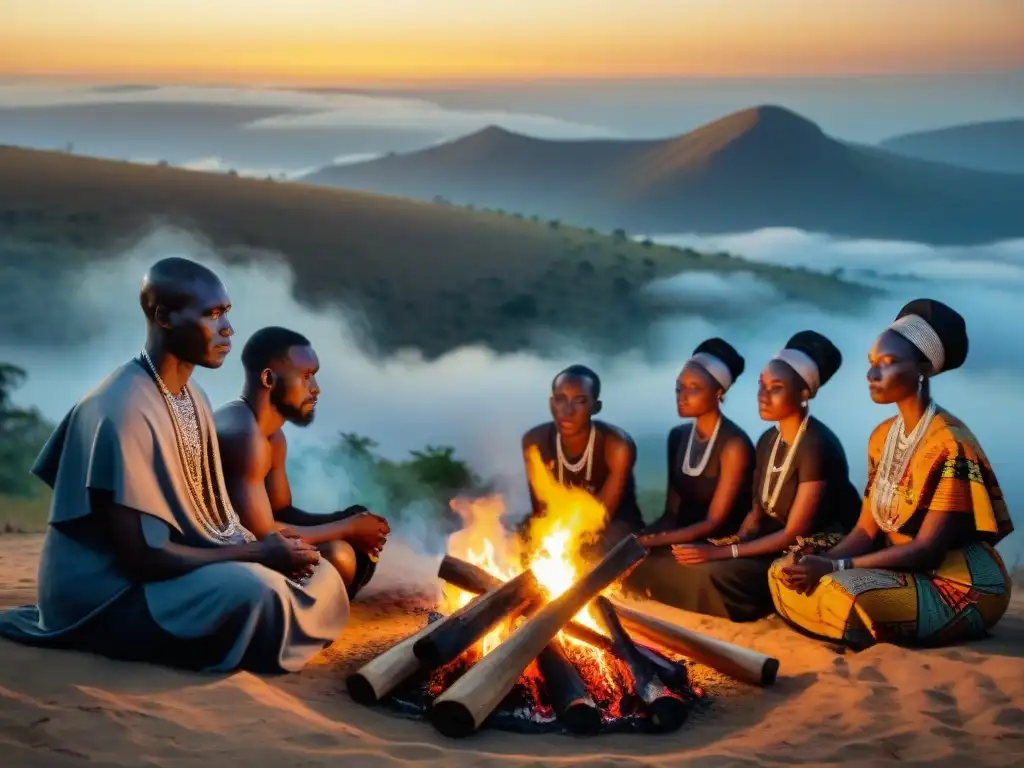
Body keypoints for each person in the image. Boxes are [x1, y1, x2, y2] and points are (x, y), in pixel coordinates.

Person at [0, 257, 351, 673]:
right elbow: (143, 557)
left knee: (318, 569)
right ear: (164, 317)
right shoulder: (122, 407)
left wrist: (265, 552)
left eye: (228, 314)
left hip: (167, 574)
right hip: (111, 595)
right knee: (259, 592)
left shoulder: (193, 397)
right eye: (213, 315)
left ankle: (280, 619)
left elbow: (208, 522)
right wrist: (257, 552)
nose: (228, 330)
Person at [770, 300, 1014, 649]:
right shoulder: (882, 437)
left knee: (844, 593)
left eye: (888, 363)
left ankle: (850, 622)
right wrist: (821, 561)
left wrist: (835, 568)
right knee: (782, 571)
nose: (872, 375)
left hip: (958, 586)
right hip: (904, 574)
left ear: (924, 368)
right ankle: (847, 621)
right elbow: (866, 529)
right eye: (871, 364)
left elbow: (928, 550)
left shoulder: (950, 443)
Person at [657, 331, 861, 621]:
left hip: (811, 551)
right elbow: (757, 512)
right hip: (771, 542)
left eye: (775, 388)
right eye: (760, 386)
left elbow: (795, 532)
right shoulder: (768, 440)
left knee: (714, 574)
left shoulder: (816, 445)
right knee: (677, 564)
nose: (762, 396)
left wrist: (722, 554)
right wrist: (730, 542)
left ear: (804, 393)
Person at [215, 326, 389, 598]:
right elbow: (264, 536)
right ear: (268, 378)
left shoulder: (273, 438)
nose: (316, 389)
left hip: (259, 542)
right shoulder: (243, 437)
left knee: (353, 521)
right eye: (306, 377)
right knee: (338, 555)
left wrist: (353, 520)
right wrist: (348, 529)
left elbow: (281, 512)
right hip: (224, 561)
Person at [624, 338, 756, 600]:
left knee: (701, 576)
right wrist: (641, 538)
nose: (682, 396)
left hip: (719, 544)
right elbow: (671, 512)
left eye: (693, 388)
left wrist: (651, 542)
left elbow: (714, 522)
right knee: (627, 557)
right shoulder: (678, 436)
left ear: (718, 392)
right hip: (682, 539)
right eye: (679, 388)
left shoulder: (734, 445)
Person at [520, 365, 644, 556]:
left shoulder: (616, 446)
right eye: (560, 399)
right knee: (523, 539)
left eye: (580, 401)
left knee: (592, 549)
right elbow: (540, 511)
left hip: (612, 528)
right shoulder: (535, 442)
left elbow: (600, 517)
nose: (568, 410)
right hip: (559, 524)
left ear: (596, 407)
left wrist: (563, 541)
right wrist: (542, 538)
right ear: (551, 403)